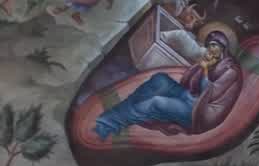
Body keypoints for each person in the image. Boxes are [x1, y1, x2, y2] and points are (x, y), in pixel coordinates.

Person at [94, 30, 242, 139]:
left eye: (214, 46)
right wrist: (201, 66)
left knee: (156, 102)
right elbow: (188, 82)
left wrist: (204, 69)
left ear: (223, 49)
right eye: (210, 46)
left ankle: (108, 124)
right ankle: (120, 115)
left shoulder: (230, 71)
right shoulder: (211, 60)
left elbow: (209, 94)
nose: (210, 50)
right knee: (160, 80)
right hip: (190, 98)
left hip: (199, 114)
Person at [47, 0, 112, 25]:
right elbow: (70, 3)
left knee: (84, 8)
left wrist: (110, 4)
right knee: (73, 4)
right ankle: (75, 15)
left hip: (84, 4)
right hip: (79, 3)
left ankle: (75, 15)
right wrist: (61, 9)